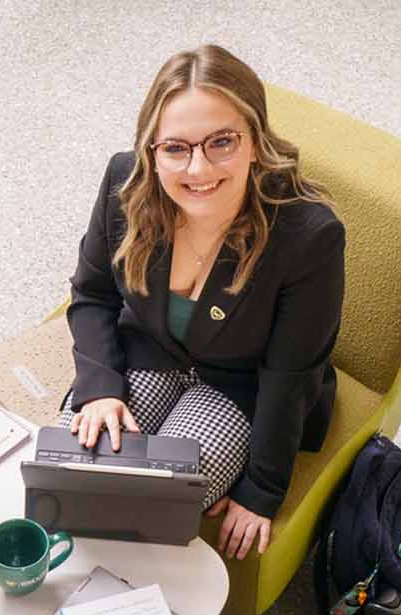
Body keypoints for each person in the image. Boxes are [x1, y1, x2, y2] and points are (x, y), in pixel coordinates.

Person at [64, 44, 345, 560]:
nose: (197, 168)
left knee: (153, 508)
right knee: (74, 479)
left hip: (240, 386)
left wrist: (262, 489)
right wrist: (100, 388)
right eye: (175, 147)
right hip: (147, 351)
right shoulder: (123, 183)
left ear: (257, 142)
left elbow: (291, 374)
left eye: (221, 142)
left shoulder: (310, 236)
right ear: (151, 149)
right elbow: (92, 293)